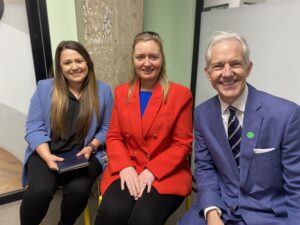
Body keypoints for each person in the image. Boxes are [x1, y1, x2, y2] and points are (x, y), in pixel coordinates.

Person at [178, 31, 300, 225]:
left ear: (249, 68)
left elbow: (297, 184)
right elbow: (205, 168)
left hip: (267, 213)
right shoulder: (202, 114)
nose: (227, 73)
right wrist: (211, 212)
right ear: (207, 73)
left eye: (235, 64)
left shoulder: (286, 115)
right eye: (218, 66)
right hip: (220, 205)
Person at [94, 31, 193, 225]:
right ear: (133, 60)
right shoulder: (122, 93)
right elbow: (114, 136)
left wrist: (152, 170)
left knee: (142, 219)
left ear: (162, 59)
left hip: (165, 172)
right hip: (128, 166)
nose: (147, 63)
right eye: (140, 57)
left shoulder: (180, 94)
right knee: (111, 213)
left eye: (153, 57)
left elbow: (182, 144)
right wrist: (125, 167)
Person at [20, 40, 113, 225]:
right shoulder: (45, 88)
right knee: (39, 191)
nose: (74, 67)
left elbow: (107, 128)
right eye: (67, 62)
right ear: (60, 67)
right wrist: (47, 157)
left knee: (79, 190)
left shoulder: (103, 90)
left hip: (83, 154)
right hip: (47, 152)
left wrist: (92, 147)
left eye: (79, 61)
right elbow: (33, 127)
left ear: (88, 62)